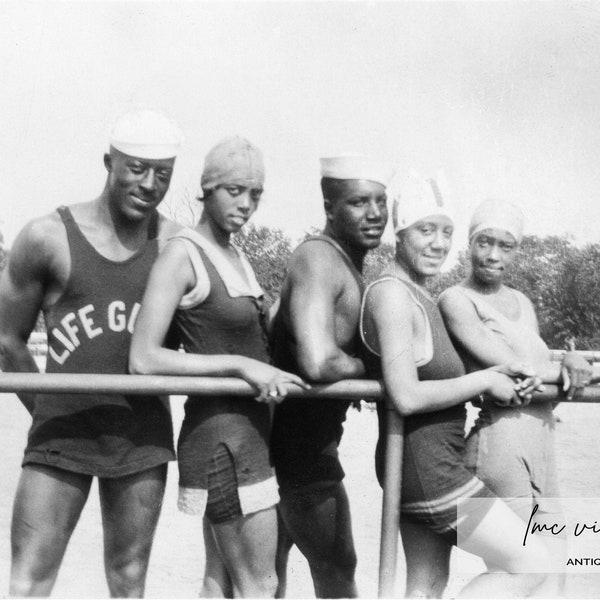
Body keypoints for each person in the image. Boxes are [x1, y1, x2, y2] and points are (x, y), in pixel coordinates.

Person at [0, 107, 184, 597]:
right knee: (29, 581)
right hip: (61, 432)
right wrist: (50, 408)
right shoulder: (49, 236)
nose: (149, 184)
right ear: (109, 162)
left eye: (162, 174)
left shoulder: (175, 245)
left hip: (140, 436)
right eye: (136, 169)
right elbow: (7, 340)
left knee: (128, 581)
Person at [129, 136, 308, 598]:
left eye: (255, 194)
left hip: (247, 435)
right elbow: (143, 358)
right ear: (206, 189)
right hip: (222, 442)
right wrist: (241, 367)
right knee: (261, 584)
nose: (246, 204)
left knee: (220, 581)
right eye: (234, 190)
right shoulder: (181, 253)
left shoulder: (235, 254)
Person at [360, 174, 552, 598]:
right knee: (531, 563)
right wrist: (484, 380)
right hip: (430, 471)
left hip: (425, 464)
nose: (438, 243)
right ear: (400, 231)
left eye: (446, 232)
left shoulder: (421, 294)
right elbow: (405, 395)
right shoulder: (392, 294)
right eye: (425, 230)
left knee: (426, 586)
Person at [438, 198, 592, 595]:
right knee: (530, 567)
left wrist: (569, 358)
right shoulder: (456, 299)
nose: (492, 255)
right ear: (469, 244)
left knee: (556, 572)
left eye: (505, 246)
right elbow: (512, 366)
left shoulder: (522, 301)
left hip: (543, 442)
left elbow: (539, 374)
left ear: (517, 250)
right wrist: (565, 369)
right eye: (483, 242)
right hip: (499, 444)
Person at [269, 153, 392, 598]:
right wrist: (375, 368)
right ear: (329, 206)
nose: (375, 213)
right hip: (296, 449)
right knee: (338, 573)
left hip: (301, 443)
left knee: (270, 577)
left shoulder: (343, 261)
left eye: (381, 200)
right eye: (359, 202)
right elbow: (318, 361)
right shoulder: (319, 259)